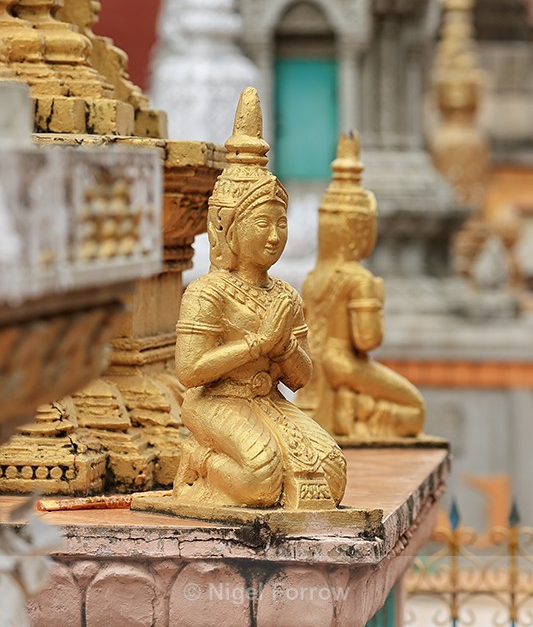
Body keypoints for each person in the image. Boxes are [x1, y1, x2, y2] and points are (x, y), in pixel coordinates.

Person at [173, 87, 346, 509]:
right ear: (228, 229)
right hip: (215, 400)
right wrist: (255, 344)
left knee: (330, 471)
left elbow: (300, 379)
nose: (274, 235)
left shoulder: (284, 293)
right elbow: (190, 371)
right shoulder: (207, 292)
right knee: (261, 479)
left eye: (281, 222)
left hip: (266, 397)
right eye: (262, 223)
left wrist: (282, 346)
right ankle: (199, 461)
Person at [297, 133, 425, 441]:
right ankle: (360, 413)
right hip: (344, 364)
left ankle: (354, 406)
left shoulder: (313, 277)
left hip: (316, 365)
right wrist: (376, 300)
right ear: (356, 232)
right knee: (414, 410)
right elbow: (367, 339)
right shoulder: (359, 279)